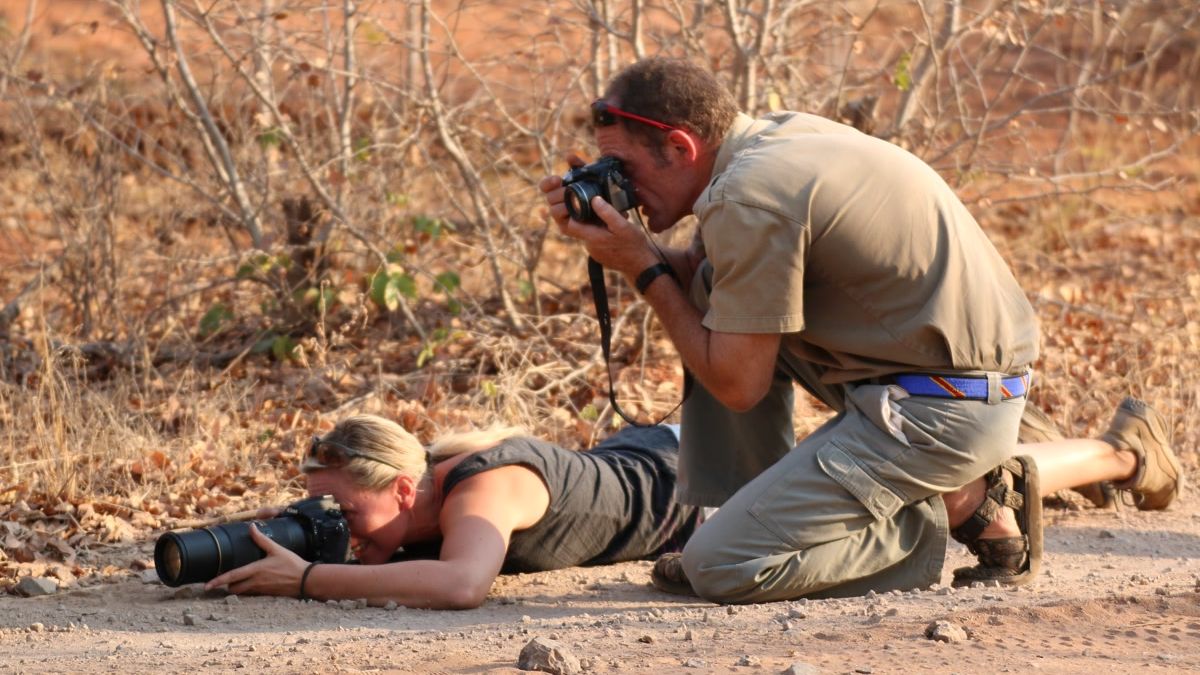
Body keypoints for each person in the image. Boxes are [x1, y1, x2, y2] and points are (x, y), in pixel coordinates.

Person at [539, 57, 1182, 603]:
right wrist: (630, 245)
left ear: (681, 147)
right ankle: (756, 510)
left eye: (623, 169)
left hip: (937, 407)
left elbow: (736, 384)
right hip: (937, 372)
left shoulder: (748, 197)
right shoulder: (774, 139)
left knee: (722, 568)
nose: (622, 186)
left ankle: (943, 508)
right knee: (705, 294)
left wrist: (643, 268)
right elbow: (719, 280)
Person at [204, 415, 701, 608]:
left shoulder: (480, 485)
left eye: (345, 512)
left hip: (692, 477)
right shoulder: (414, 495)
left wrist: (308, 577)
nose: (339, 525)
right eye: (325, 509)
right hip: (634, 450)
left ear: (403, 489)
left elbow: (462, 584)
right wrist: (289, 532)